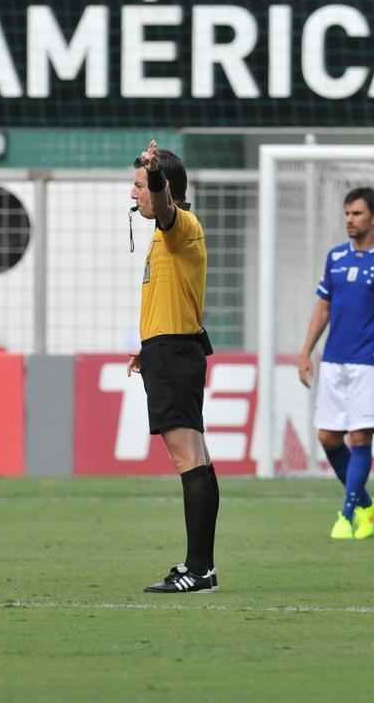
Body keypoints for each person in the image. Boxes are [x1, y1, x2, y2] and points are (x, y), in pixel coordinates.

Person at [127, 140, 218, 593]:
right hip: (168, 351)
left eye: (139, 185)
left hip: (176, 355)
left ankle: (199, 570)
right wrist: (148, 346)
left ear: (164, 188)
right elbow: (172, 299)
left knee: (188, 459)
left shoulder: (179, 226)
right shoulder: (168, 238)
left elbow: (163, 206)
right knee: (197, 458)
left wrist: (156, 170)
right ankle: (202, 567)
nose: (134, 194)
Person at [298, 187, 374, 540]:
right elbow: (323, 308)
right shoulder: (335, 258)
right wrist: (305, 351)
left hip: (369, 361)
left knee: (360, 436)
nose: (350, 220)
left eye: (357, 214)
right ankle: (367, 504)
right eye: (347, 213)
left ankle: (347, 514)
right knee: (328, 436)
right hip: (334, 360)